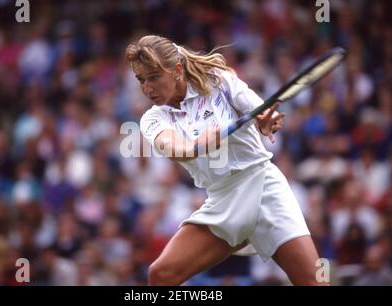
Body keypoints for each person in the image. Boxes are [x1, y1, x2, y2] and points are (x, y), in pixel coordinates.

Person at [125, 35, 326, 286]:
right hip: (223, 201)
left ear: (176, 70)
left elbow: (261, 110)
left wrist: (267, 119)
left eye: (153, 77)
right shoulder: (152, 119)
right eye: (141, 80)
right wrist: (199, 145)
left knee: (315, 283)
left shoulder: (219, 81)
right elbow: (175, 148)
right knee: (160, 275)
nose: (147, 88)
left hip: (264, 186)